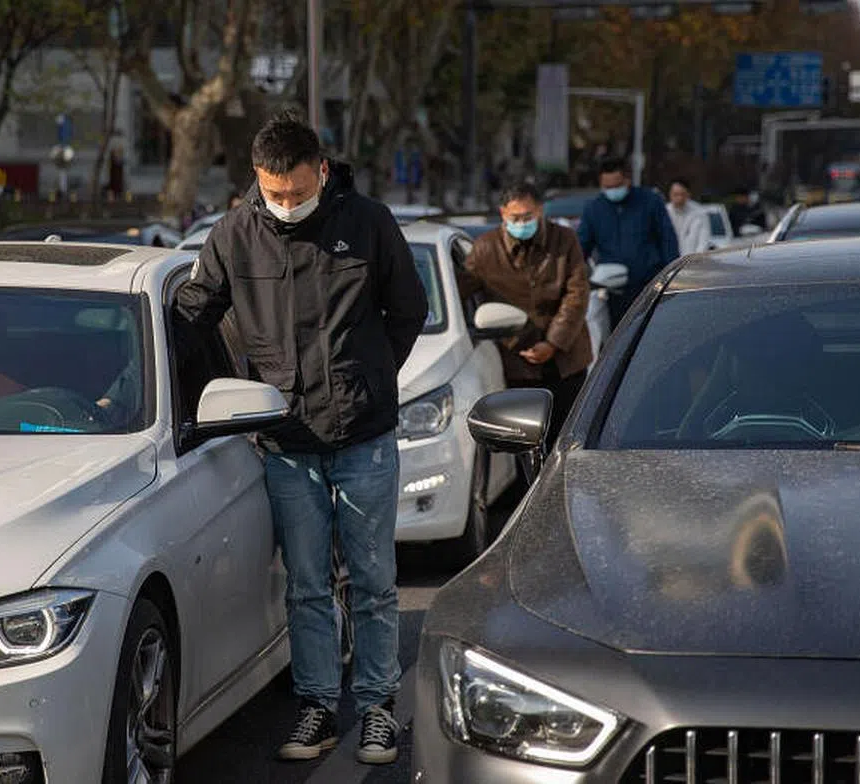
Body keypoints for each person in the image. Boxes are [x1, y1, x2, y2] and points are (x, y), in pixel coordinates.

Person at [174, 111, 427, 766]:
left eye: (293, 191)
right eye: (271, 193)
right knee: (307, 582)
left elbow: (409, 311)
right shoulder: (234, 234)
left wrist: (369, 380)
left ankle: (376, 707)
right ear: (256, 181)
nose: (284, 205)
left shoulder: (368, 222)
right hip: (285, 440)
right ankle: (317, 704)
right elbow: (195, 313)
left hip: (365, 435)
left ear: (320, 169)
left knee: (372, 580)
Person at [459, 181, 591, 448]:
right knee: (523, 445)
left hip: (566, 359)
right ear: (502, 214)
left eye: (528, 217)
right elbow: (458, 289)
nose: (522, 223)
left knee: (568, 441)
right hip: (517, 361)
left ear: (540, 210)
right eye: (515, 218)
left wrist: (553, 343)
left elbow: (577, 294)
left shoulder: (564, 240)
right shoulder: (485, 249)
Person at [579, 157, 679, 328]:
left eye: (616, 186)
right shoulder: (594, 209)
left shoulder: (650, 201)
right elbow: (582, 246)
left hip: (648, 285)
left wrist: (672, 278)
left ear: (627, 180)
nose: (612, 191)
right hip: (612, 290)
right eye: (607, 187)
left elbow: (667, 240)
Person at [666, 178, 712, 256]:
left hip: (692, 263)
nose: (679, 198)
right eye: (676, 194)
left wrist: (696, 260)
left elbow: (703, 241)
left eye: (682, 194)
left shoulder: (699, 213)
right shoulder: (664, 213)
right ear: (670, 194)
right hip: (669, 263)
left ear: (688, 194)